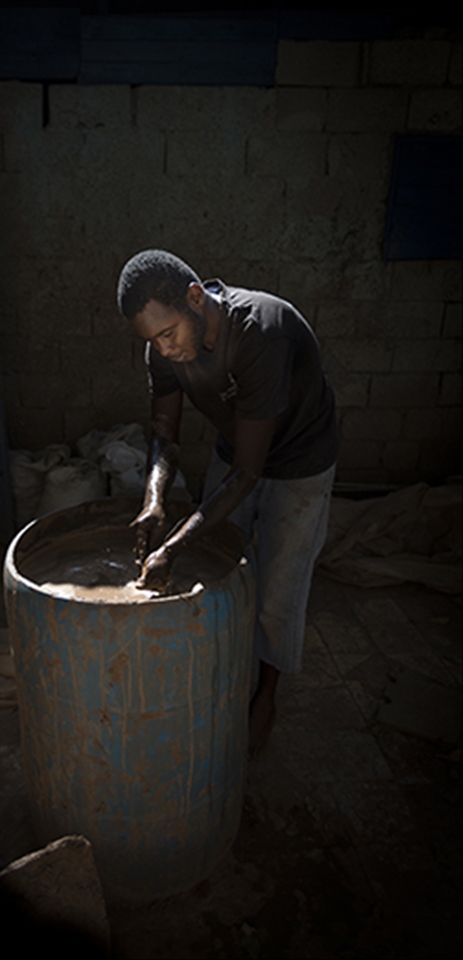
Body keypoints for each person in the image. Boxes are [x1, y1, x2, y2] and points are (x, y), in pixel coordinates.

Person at [116, 249, 340, 755]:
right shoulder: (164, 349)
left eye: (168, 333)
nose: (164, 349)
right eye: (151, 340)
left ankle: (266, 694)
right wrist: (154, 501)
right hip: (236, 450)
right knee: (214, 568)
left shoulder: (263, 331)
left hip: (300, 458)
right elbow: (163, 436)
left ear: (196, 299)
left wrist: (170, 545)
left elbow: (247, 474)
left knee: (279, 586)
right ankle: (220, 666)